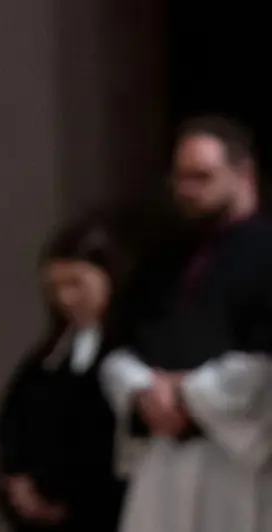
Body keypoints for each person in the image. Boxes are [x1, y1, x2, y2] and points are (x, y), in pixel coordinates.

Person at [100, 116, 272, 532]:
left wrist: (187, 395)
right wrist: (143, 391)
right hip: (163, 452)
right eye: (180, 179)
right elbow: (120, 343)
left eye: (202, 177)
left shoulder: (266, 253)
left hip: (238, 456)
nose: (188, 191)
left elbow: (265, 359)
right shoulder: (162, 258)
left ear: (243, 172)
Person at [0, 213, 129, 532]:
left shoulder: (129, 353)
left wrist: (73, 506)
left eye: (76, 284)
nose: (65, 298)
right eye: (55, 287)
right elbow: (10, 424)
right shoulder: (45, 359)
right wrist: (17, 482)